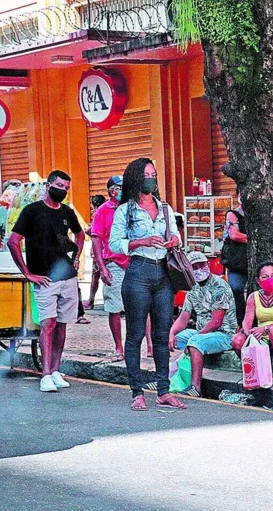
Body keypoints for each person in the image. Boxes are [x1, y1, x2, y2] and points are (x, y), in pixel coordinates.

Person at [109, 157, 187, 411]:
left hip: (163, 273)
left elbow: (175, 234)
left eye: (154, 174)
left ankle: (164, 391)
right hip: (138, 272)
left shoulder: (164, 208)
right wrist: (140, 242)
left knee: (162, 335)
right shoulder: (126, 210)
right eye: (146, 175)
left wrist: (173, 241)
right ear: (135, 179)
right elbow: (113, 244)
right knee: (135, 335)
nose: (151, 179)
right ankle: (137, 391)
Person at [8, 170, 84, 393]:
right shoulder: (31, 211)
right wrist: (27, 273)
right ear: (49, 185)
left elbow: (80, 235)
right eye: (59, 185)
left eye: (66, 188)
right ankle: (45, 373)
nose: (62, 190)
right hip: (44, 278)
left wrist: (77, 258)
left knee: (61, 324)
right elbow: (13, 241)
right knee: (48, 324)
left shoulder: (67, 212)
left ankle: (56, 370)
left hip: (67, 276)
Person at [91, 176, 154, 361]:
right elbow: (96, 238)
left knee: (145, 306)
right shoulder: (103, 211)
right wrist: (102, 267)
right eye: (119, 188)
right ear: (112, 190)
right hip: (114, 264)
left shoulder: (134, 207)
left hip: (136, 261)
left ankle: (150, 345)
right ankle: (119, 348)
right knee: (115, 307)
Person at [169, 252, 237, 397]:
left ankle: (195, 387)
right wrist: (171, 333)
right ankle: (163, 379)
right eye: (195, 267)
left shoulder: (219, 287)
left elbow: (216, 322)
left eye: (202, 265)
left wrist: (194, 339)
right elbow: (183, 318)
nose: (200, 269)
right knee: (168, 338)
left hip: (224, 334)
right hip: (202, 332)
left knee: (194, 341)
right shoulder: (192, 288)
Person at [231, 262, 273, 383]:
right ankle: (253, 369)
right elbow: (247, 322)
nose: (270, 279)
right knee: (237, 339)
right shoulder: (253, 297)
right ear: (258, 280)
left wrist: (265, 329)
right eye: (265, 277)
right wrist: (249, 333)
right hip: (261, 340)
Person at [222, 187, 248, 326]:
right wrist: (254, 239)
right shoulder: (233, 214)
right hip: (237, 263)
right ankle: (239, 322)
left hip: (253, 263)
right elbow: (234, 235)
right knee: (236, 289)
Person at [81, 195, 107, 313]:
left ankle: (91, 301)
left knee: (95, 277)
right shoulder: (109, 210)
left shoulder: (99, 213)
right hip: (108, 250)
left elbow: (90, 231)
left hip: (99, 250)